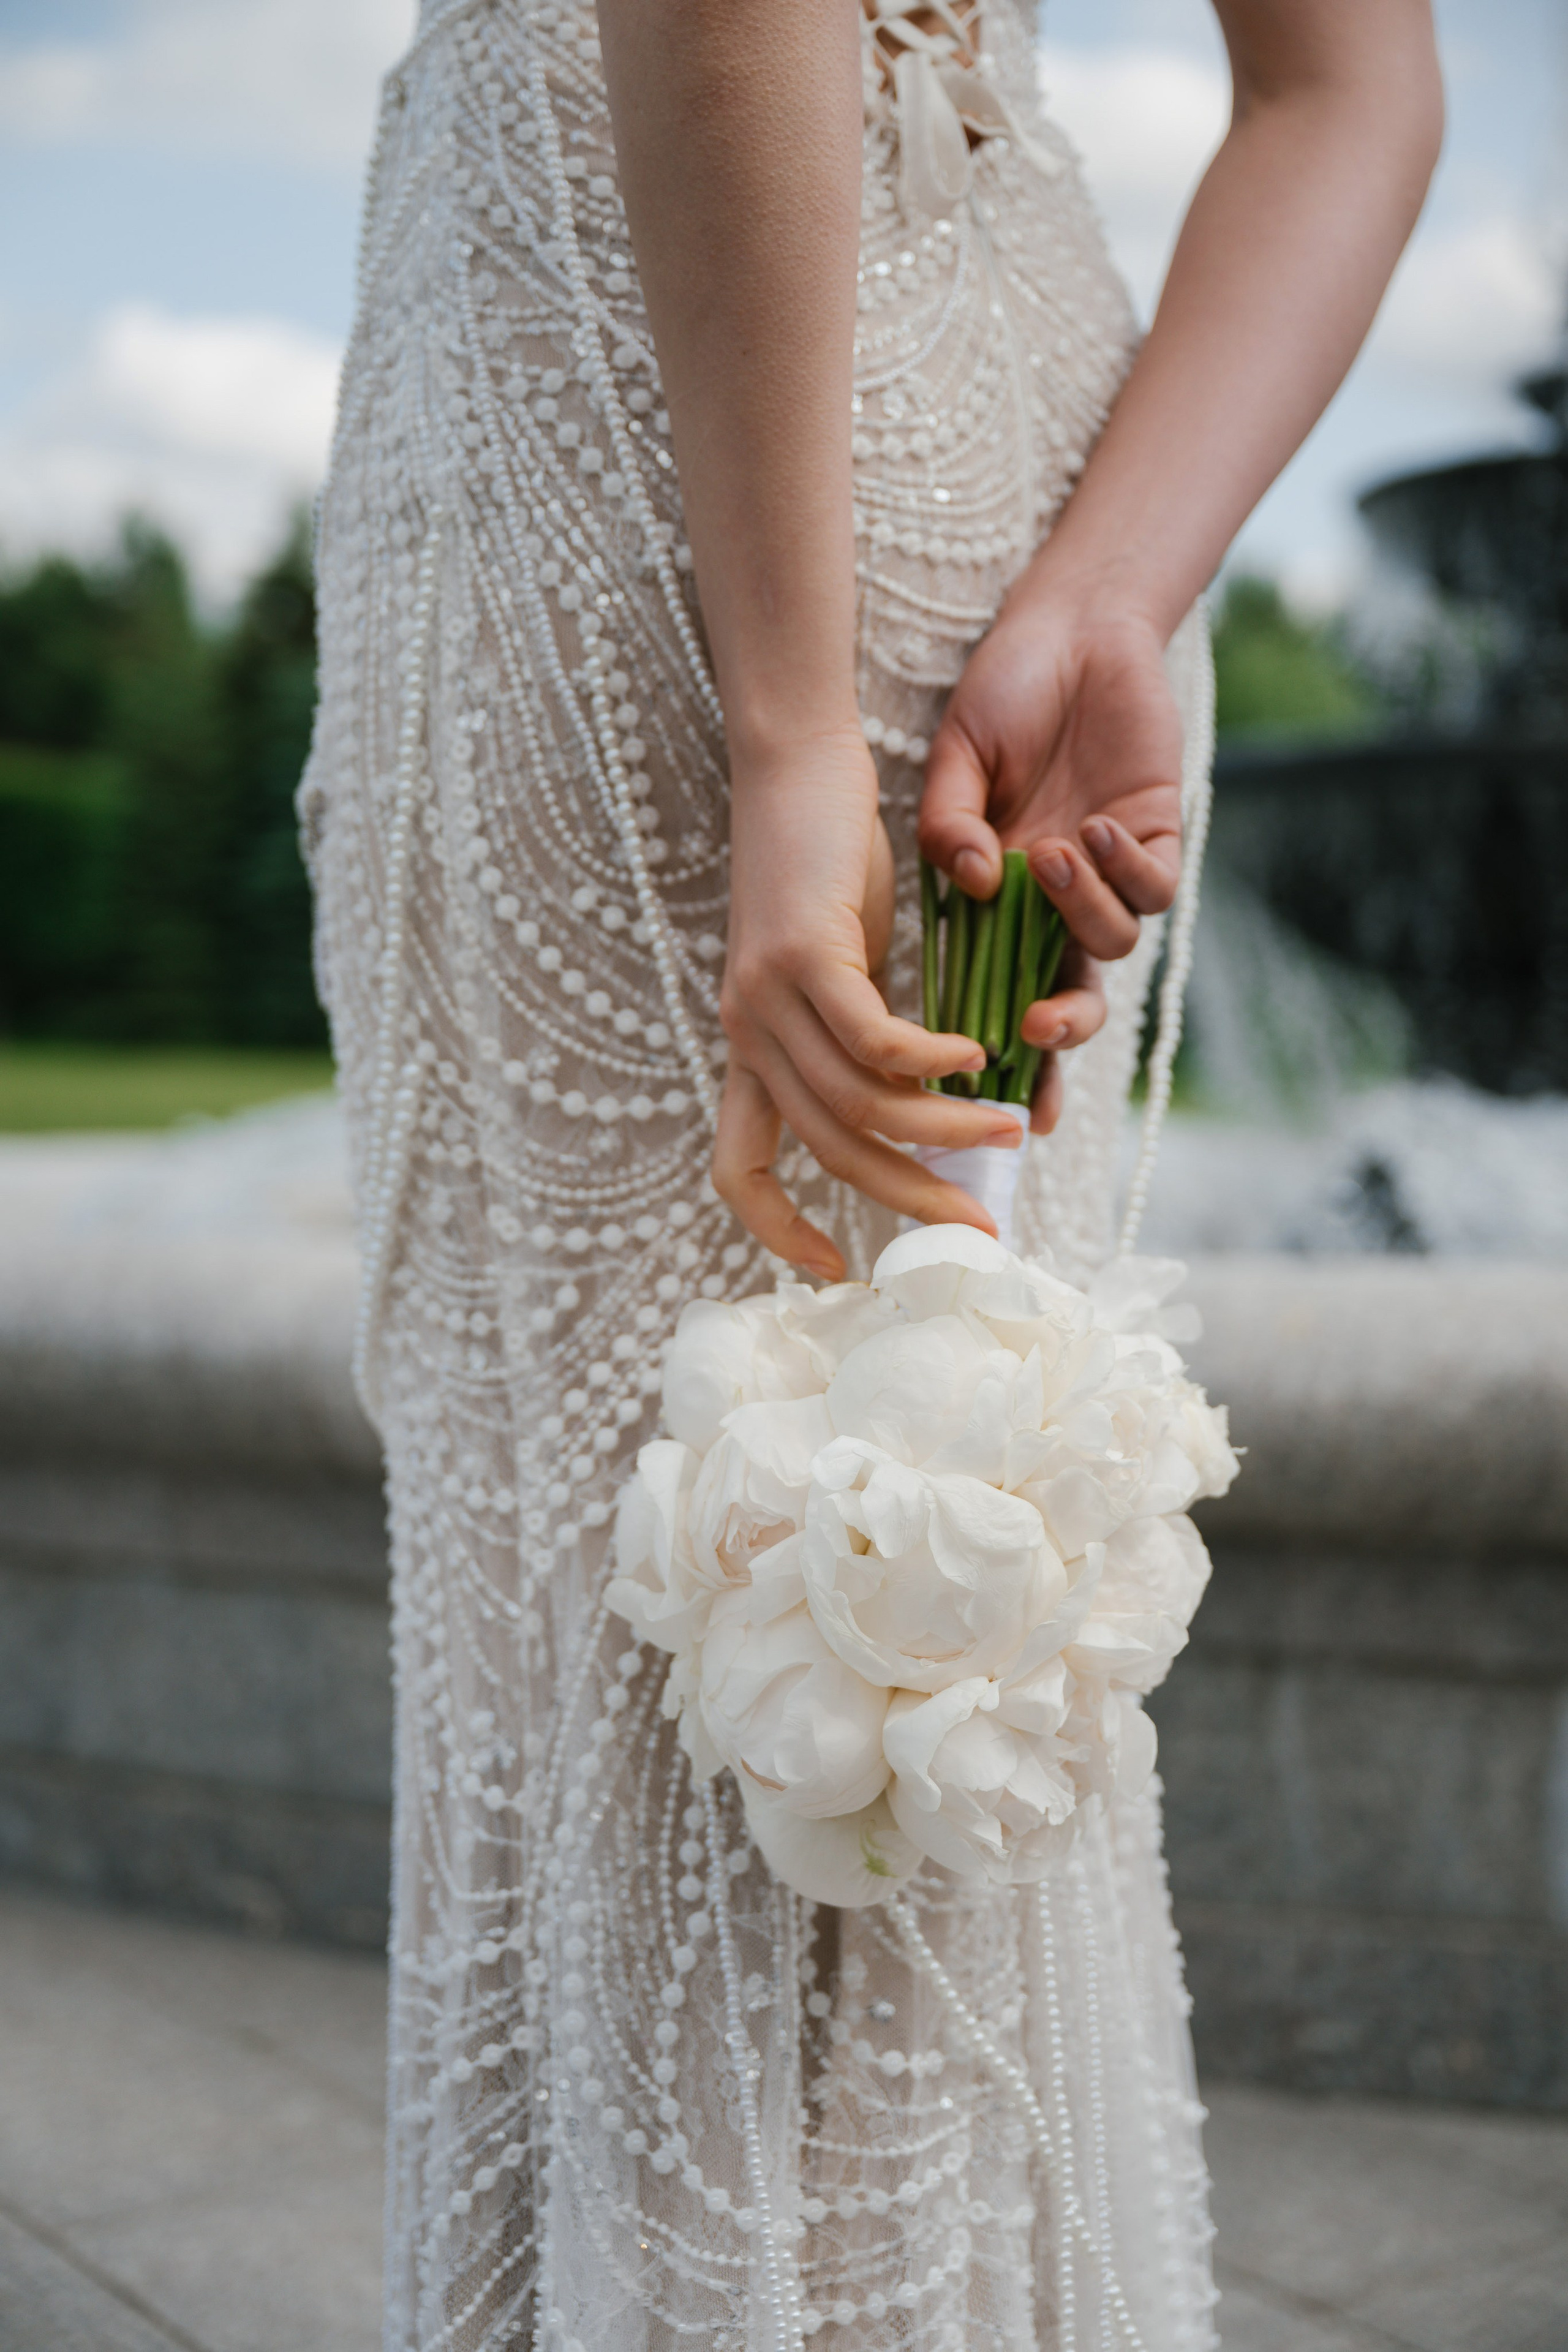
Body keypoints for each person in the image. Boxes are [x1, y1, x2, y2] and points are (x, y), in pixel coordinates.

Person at [301, 2, 1441, 2343]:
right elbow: (1355, 82)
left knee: (629, 1625)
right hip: (1038, 493)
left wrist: (790, 719)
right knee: (916, 1584)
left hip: (641, 388)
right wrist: (1111, 594)